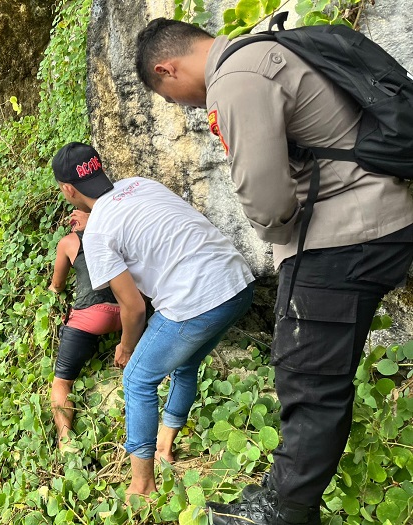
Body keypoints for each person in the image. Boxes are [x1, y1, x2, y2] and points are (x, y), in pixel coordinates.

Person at [135, 18, 413, 525]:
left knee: (308, 377)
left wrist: (279, 243)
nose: (186, 107)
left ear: (166, 70)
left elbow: (268, 201)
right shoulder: (263, 53)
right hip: (377, 220)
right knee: (315, 375)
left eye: (172, 97)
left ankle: (284, 512)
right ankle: (287, 498)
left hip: (343, 236)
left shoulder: (236, 79)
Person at [52, 142, 255, 497]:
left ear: (68, 190)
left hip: (195, 301)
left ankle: (141, 484)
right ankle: (164, 447)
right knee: (185, 366)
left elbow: (133, 308)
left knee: (136, 379)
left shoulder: (97, 231)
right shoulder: (142, 184)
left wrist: (127, 346)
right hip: (237, 284)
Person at [48, 212, 122, 450]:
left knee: (61, 381)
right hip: (128, 313)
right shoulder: (115, 233)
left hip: (90, 316)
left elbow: (57, 285)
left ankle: (65, 439)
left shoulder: (70, 242)